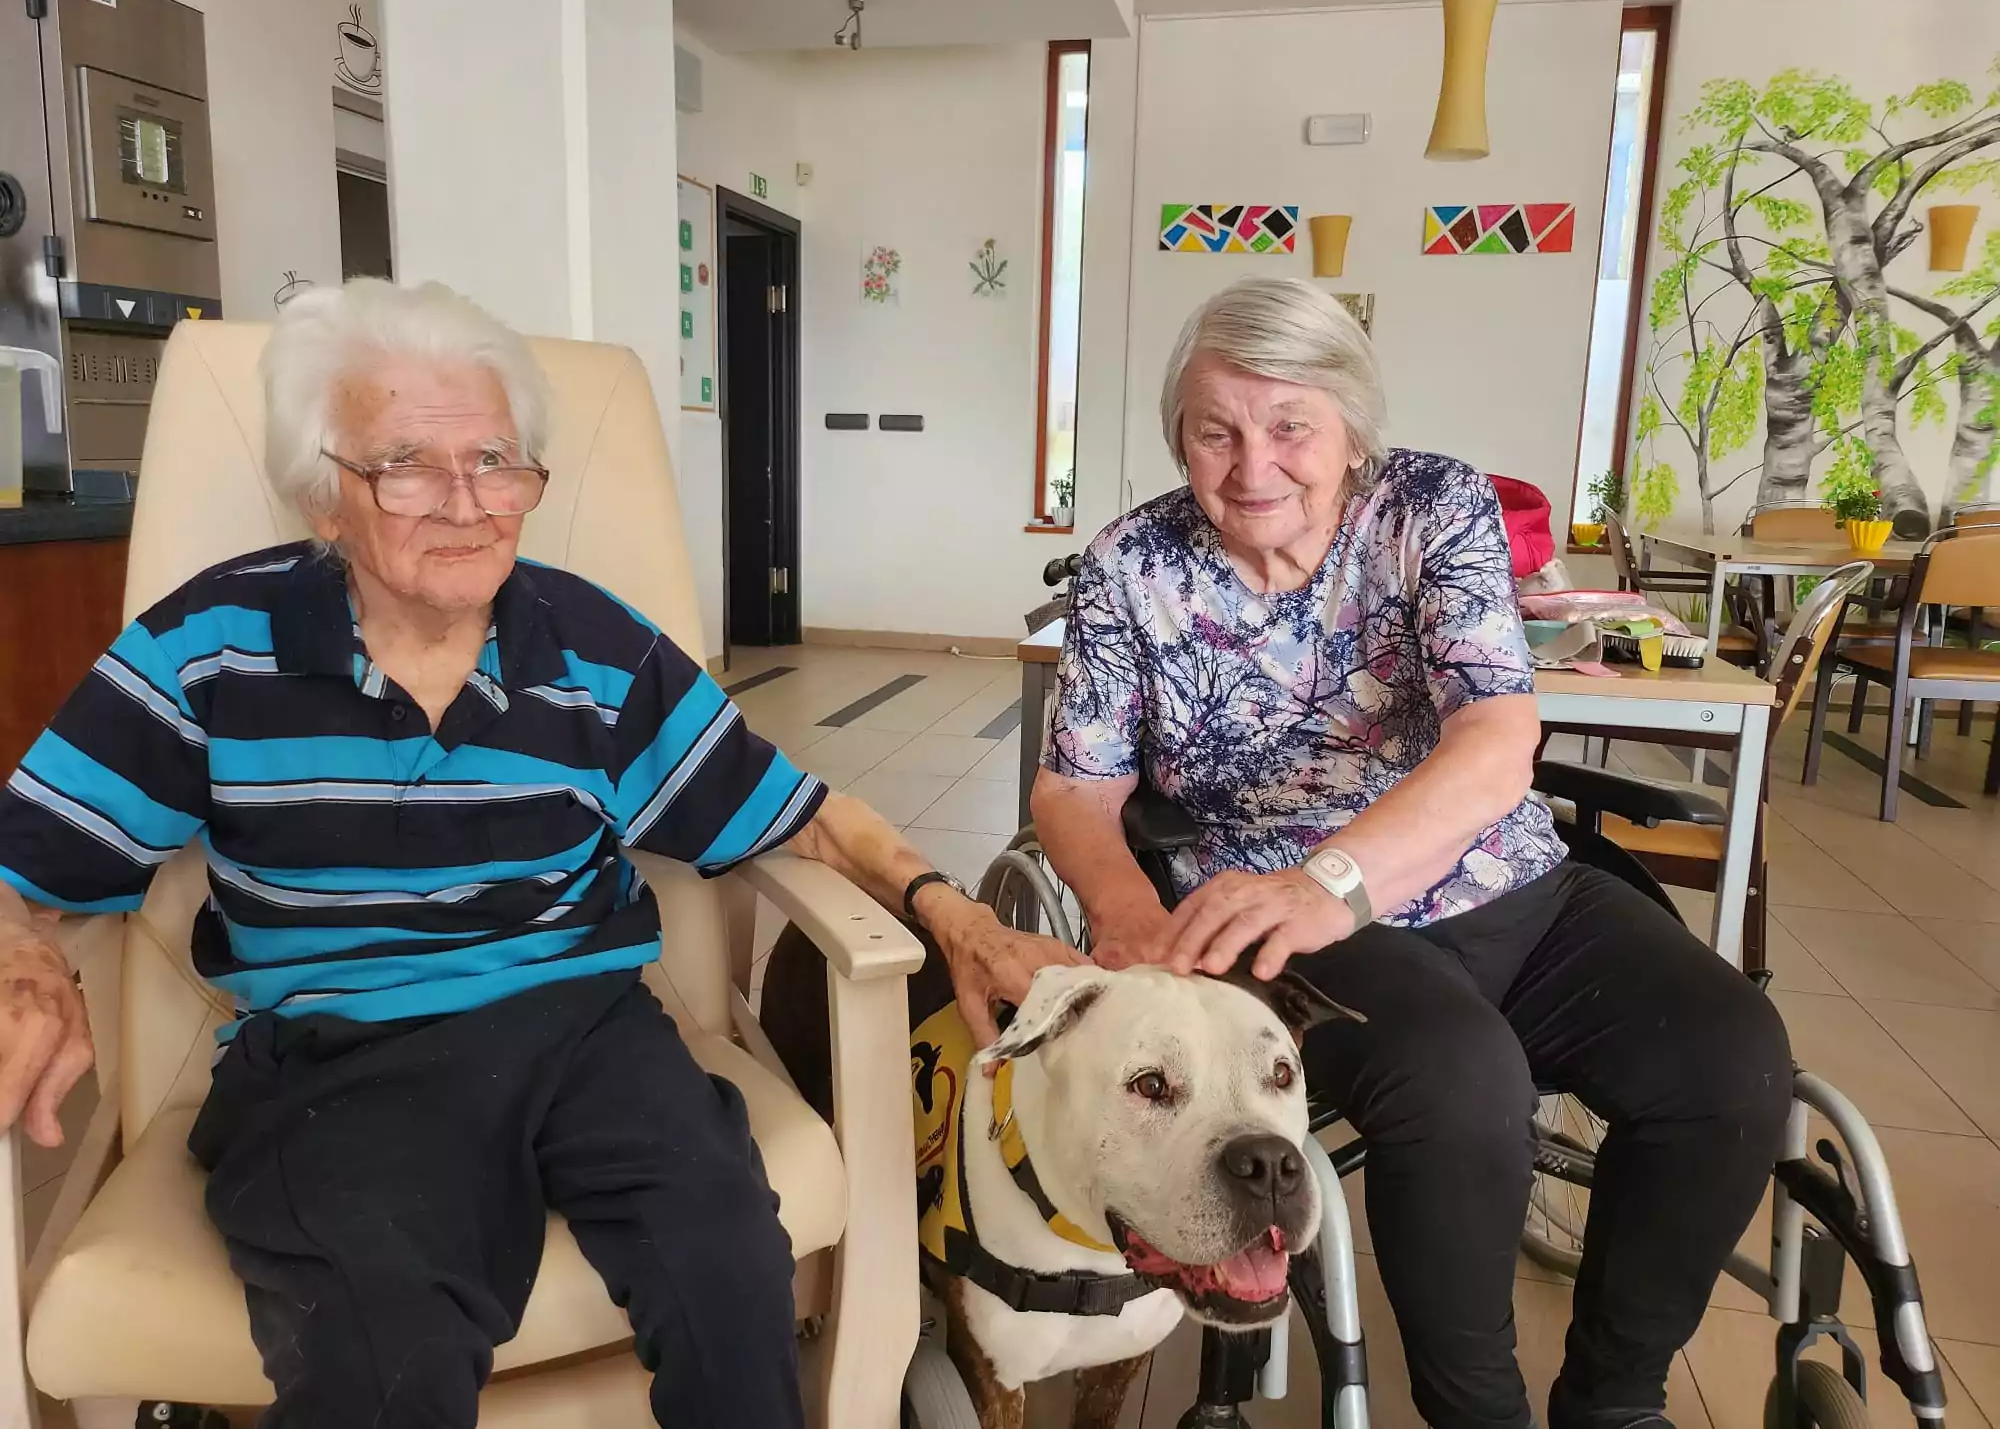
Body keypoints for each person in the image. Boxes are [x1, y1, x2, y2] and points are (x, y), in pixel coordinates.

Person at [0, 279, 1075, 1429]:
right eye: (407, 465)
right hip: (336, 1056)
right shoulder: (209, 646)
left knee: (722, 1264)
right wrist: (23, 953)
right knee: (382, 1346)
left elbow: (799, 811)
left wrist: (955, 917)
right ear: (325, 497)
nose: (466, 503)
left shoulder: (592, 645)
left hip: (586, 1028)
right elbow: (22, 859)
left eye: (495, 462)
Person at [1031, 278, 1791, 1429]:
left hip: (1495, 882)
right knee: (1459, 1083)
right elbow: (1075, 786)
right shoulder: (1131, 565)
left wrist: (1334, 879)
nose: (1252, 465)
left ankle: (1613, 1401)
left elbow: (1495, 737)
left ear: (1351, 432)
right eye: (1214, 431)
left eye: (1290, 426)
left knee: (1730, 1056)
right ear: (1176, 436)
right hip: (1267, 916)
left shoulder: (1431, 508)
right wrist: (1125, 907)